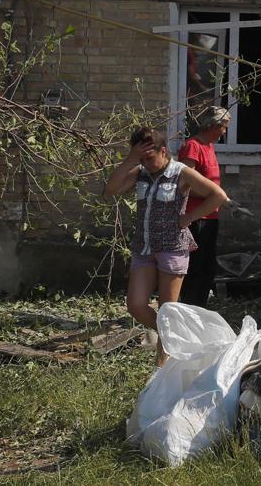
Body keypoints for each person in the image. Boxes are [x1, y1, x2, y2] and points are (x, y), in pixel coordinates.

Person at [104, 126, 227, 366]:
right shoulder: (139, 171)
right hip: (144, 248)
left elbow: (218, 196)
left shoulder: (181, 172)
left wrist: (189, 218)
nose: (146, 163)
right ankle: (177, 334)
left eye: (149, 158)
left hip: (172, 248)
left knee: (167, 309)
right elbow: (110, 190)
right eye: (141, 158)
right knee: (136, 305)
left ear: (163, 151)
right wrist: (131, 159)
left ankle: (163, 365)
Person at [178, 106, 230, 308]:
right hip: (194, 217)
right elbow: (184, 183)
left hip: (210, 215)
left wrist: (220, 199)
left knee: (208, 267)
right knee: (195, 268)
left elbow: (210, 183)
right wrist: (215, 196)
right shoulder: (193, 146)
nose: (224, 132)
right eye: (224, 127)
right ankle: (189, 309)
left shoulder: (209, 146)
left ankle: (200, 308)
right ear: (213, 125)